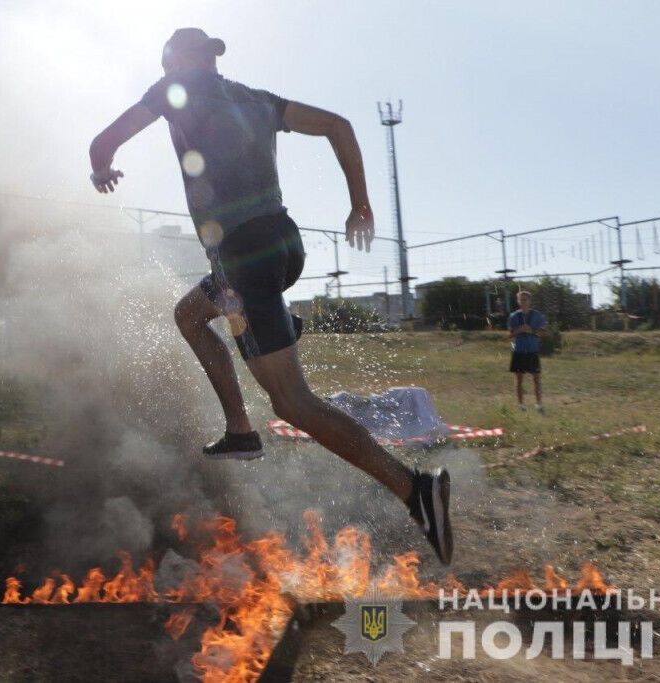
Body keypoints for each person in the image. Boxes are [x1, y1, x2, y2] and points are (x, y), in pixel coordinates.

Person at [89, 28, 453, 564]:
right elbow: (338, 126)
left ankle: (415, 491)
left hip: (244, 255)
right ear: (213, 58)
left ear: (175, 61)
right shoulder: (257, 100)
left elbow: (103, 142)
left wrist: (101, 171)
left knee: (291, 401)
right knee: (191, 315)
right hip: (284, 245)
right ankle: (241, 426)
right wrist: (360, 205)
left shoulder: (172, 88)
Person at [508, 290, 547, 412]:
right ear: (518, 301)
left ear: (530, 301)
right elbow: (510, 335)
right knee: (519, 380)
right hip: (519, 351)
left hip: (532, 351)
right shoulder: (514, 316)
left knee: (536, 379)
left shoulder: (537, 315)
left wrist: (532, 331)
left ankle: (539, 404)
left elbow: (544, 333)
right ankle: (521, 405)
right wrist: (519, 330)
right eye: (521, 299)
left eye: (526, 299)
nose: (523, 302)